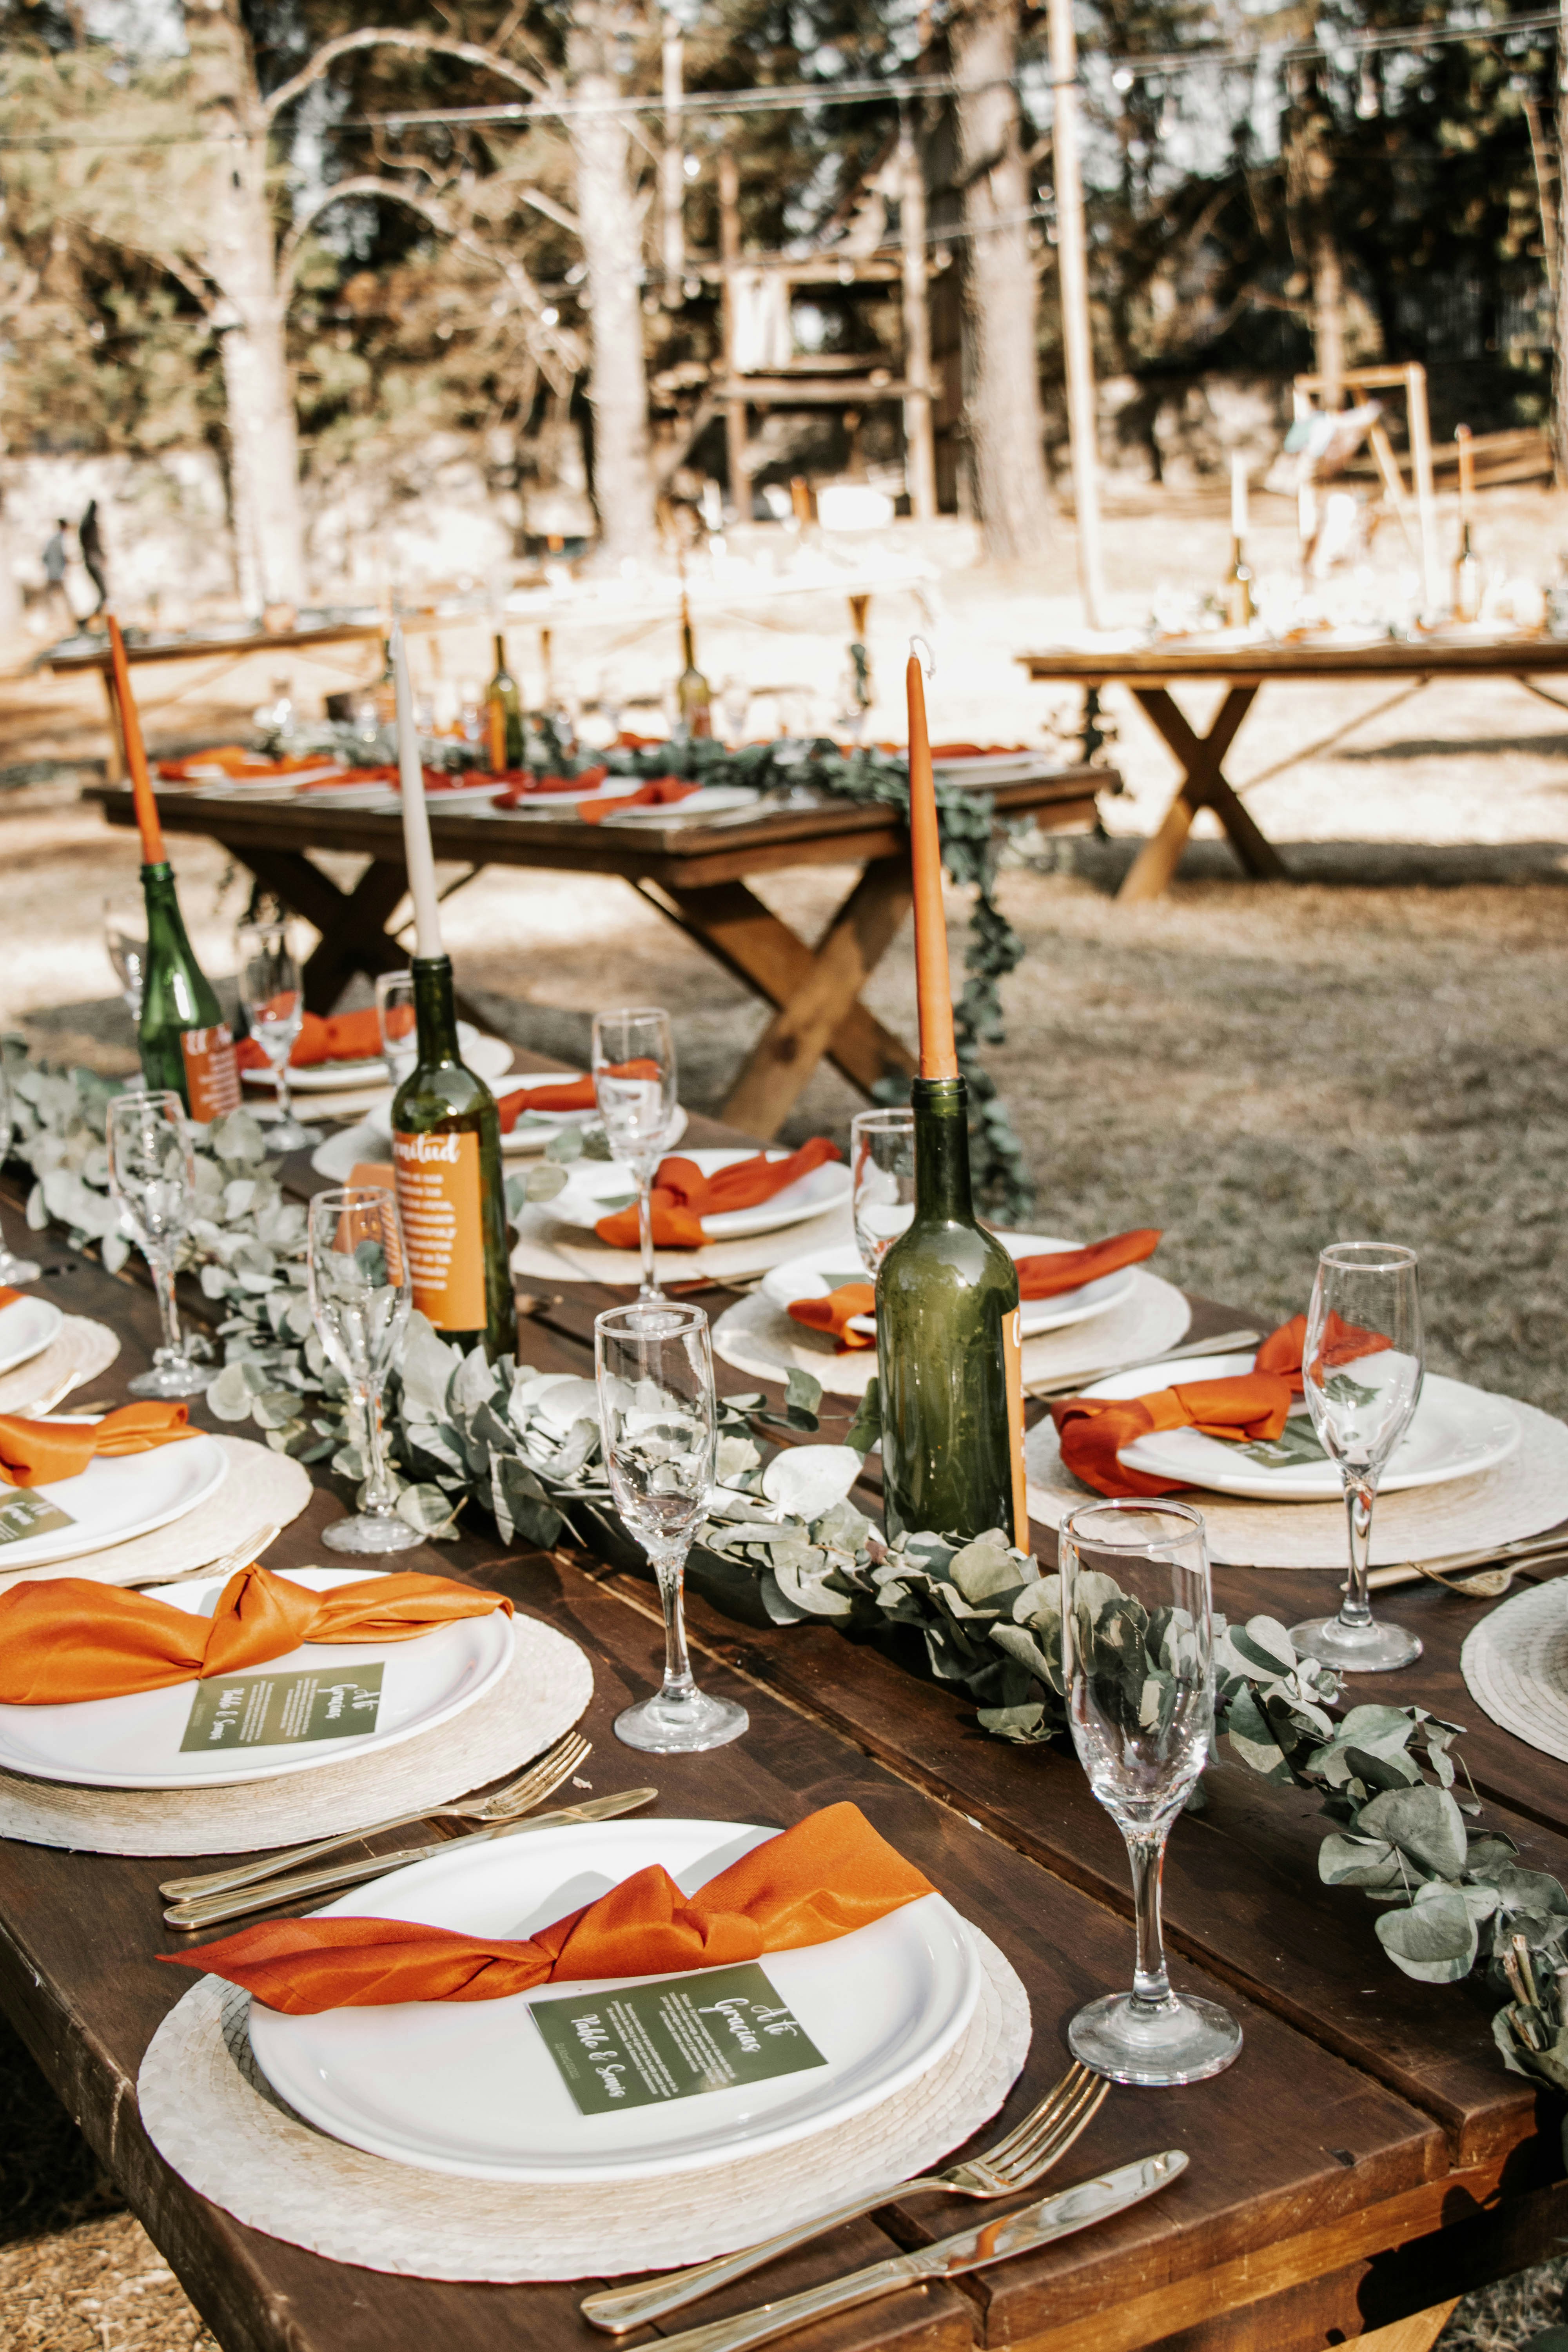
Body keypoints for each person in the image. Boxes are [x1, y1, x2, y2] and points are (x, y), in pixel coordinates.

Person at [40, 519, 73, 632]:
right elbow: (64, 557)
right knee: (65, 599)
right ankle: (70, 619)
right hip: (58, 574)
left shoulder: (51, 541)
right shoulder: (60, 541)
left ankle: (52, 618)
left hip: (51, 573)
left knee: (50, 599)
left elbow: (44, 557)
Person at [78, 499, 108, 614]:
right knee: (103, 592)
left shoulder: (87, 524)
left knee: (103, 592)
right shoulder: (89, 524)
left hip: (92, 557)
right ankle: (97, 616)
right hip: (92, 558)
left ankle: (100, 614)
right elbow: (92, 544)